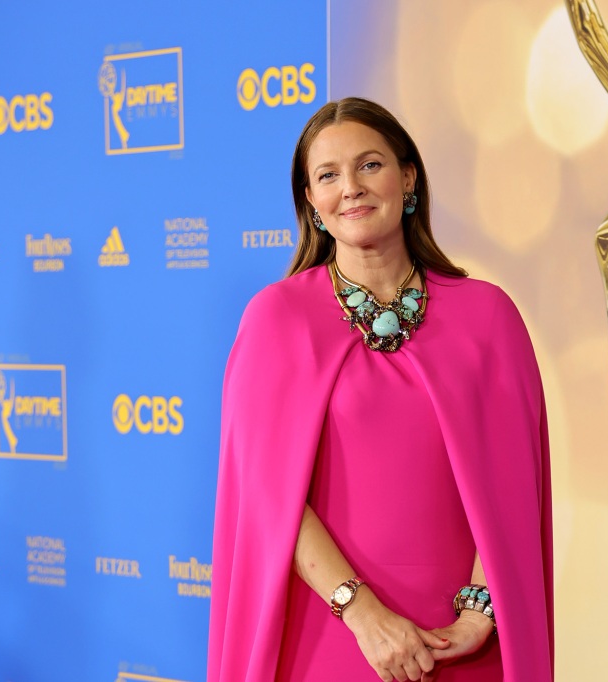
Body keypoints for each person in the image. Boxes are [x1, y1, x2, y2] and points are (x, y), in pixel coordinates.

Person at [207, 97, 554, 682]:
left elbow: (519, 488)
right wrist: (362, 613)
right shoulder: (276, 319)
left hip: (466, 644)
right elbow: (264, 494)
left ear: (408, 177)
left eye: (370, 165)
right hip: (328, 634)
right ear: (312, 204)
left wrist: (477, 615)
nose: (351, 188)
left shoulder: (489, 316)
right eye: (328, 175)